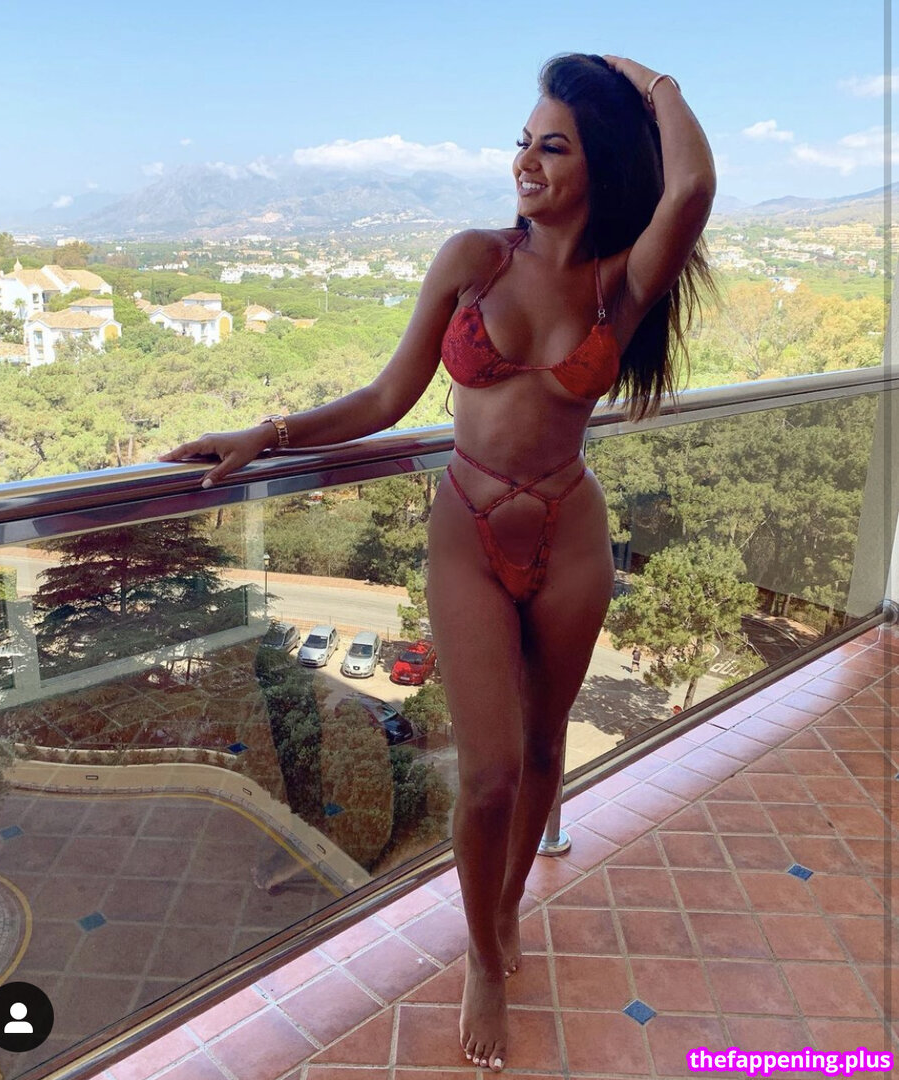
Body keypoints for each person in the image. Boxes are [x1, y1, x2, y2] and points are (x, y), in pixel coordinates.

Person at [160, 53, 715, 1073]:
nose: (525, 162)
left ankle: (504, 913)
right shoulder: (473, 260)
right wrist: (266, 434)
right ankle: (482, 962)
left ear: (600, 165)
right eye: (522, 142)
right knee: (489, 774)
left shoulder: (618, 282)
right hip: (466, 529)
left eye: (554, 146)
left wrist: (652, 85)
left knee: (544, 749)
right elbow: (386, 400)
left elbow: (691, 189)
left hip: (570, 534)